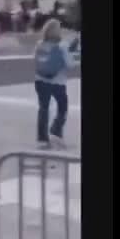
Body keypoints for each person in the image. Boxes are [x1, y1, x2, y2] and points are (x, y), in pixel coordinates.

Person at [34, 18, 79, 149]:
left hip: (40, 80)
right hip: (57, 83)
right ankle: (56, 130)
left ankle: (42, 139)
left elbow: (37, 61)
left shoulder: (39, 44)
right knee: (63, 107)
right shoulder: (62, 45)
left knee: (43, 108)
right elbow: (70, 64)